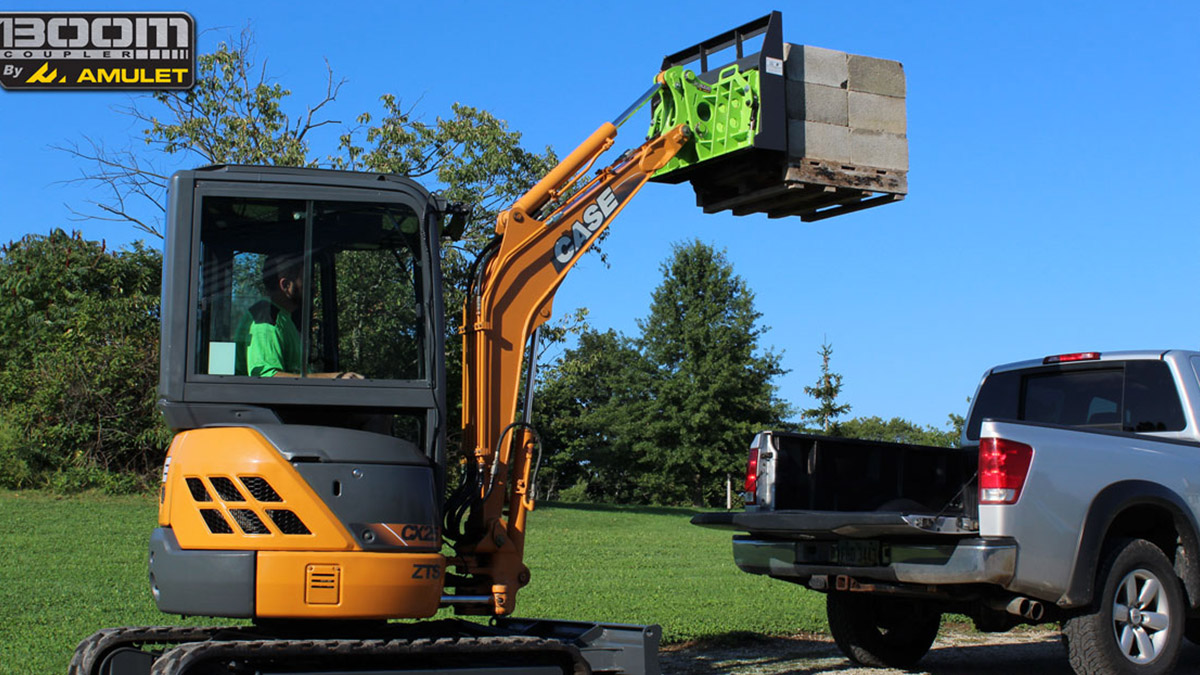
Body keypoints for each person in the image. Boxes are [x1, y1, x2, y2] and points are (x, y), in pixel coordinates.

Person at [235, 253, 362, 379]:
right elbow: (268, 379)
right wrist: (335, 377)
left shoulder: (283, 317)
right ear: (285, 285)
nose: (312, 286)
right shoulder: (266, 321)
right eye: (305, 280)